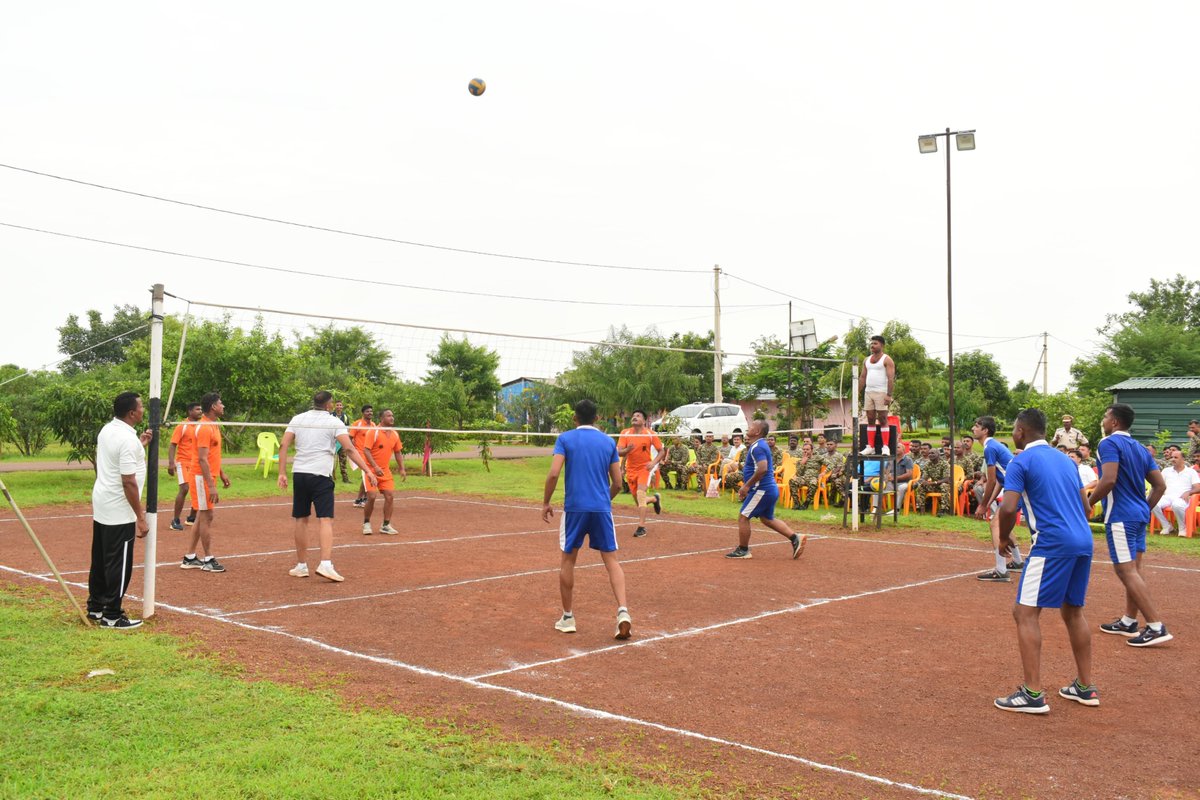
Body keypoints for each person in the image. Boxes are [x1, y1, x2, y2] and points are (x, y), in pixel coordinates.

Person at [993, 408, 1098, 714]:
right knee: (1073, 611)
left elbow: (1008, 507)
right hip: (1083, 541)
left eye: (1014, 428)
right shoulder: (1066, 461)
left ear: (1021, 432)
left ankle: (1032, 693)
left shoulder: (1020, 461)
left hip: (1052, 543)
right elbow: (1086, 508)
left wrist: (1003, 537)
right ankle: (1085, 687)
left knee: (1024, 612)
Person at [542, 399, 632, 639]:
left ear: (575, 418)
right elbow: (618, 483)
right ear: (597, 418)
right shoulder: (608, 441)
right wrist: (603, 500)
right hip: (601, 509)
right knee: (611, 560)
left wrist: (546, 502)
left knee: (568, 560)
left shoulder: (565, 439)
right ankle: (623, 611)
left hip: (575, 509)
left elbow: (554, 473)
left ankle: (568, 617)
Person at [1087, 403, 1172, 647]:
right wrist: (1144, 508)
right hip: (1138, 516)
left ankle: (1155, 626)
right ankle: (1129, 621)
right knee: (1134, 569)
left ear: (1114, 422)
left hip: (1121, 516)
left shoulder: (1108, 443)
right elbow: (1160, 486)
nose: (1103, 421)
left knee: (1126, 571)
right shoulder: (1141, 448)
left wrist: (1088, 504)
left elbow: (1108, 479)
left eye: (1105, 417)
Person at [278, 391, 377, 582]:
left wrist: (282, 472)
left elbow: (283, 445)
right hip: (321, 475)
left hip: (300, 474)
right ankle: (325, 564)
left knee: (301, 518)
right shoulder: (334, 422)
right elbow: (349, 449)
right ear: (329, 405)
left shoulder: (298, 418)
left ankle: (301, 566)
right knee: (325, 519)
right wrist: (368, 470)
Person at [87, 391, 154, 629]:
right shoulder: (127, 440)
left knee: (100, 559)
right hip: (119, 508)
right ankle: (112, 616)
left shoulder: (108, 430)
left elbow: (118, 458)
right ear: (132, 413)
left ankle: (95, 607)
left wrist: (140, 445)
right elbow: (128, 481)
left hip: (103, 503)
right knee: (119, 563)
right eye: (141, 406)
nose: (144, 409)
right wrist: (140, 516)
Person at [726, 420, 806, 560]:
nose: (748, 427)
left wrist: (746, 486)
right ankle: (795, 538)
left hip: (761, 490)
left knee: (743, 517)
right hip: (768, 489)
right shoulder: (759, 445)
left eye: (752, 426)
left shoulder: (758, 447)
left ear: (757, 432)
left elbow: (762, 468)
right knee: (767, 519)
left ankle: (743, 550)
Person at [181, 392, 231, 574]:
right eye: (220, 403)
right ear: (213, 407)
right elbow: (202, 459)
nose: (223, 406)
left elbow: (211, 455)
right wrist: (210, 485)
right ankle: (208, 559)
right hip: (201, 477)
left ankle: (189, 557)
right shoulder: (203, 428)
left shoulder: (213, 425)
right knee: (207, 516)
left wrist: (221, 474)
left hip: (208, 476)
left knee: (202, 516)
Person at [973, 416, 1024, 582]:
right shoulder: (994, 445)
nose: (973, 429)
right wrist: (987, 503)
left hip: (1016, 489)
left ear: (985, 430)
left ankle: (1001, 570)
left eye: (977, 426)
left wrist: (982, 505)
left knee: (995, 524)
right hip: (1015, 488)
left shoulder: (990, 447)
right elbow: (999, 481)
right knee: (1002, 524)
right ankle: (1018, 562)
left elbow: (991, 480)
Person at [617, 410, 665, 537]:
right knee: (639, 501)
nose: (634, 417)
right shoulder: (625, 433)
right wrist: (623, 465)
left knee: (640, 494)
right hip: (631, 470)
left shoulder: (650, 434)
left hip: (645, 468)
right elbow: (619, 452)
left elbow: (661, 451)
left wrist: (653, 463)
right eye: (633, 416)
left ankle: (641, 527)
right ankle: (654, 499)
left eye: (638, 416)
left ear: (644, 421)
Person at [361, 408, 407, 535]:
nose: (392, 418)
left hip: (385, 471)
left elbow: (398, 452)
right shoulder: (373, 432)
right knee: (371, 496)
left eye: (392, 415)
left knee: (390, 496)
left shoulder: (395, 434)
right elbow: (366, 451)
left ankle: (386, 525)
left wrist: (402, 468)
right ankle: (366, 523)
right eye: (388, 416)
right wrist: (375, 467)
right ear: (381, 418)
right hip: (370, 470)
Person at [166, 402, 203, 531]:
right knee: (185, 488)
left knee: (198, 489)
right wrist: (171, 463)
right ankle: (175, 520)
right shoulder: (182, 426)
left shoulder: (201, 426)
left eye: (201, 409)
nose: (200, 411)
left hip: (196, 463)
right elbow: (173, 444)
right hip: (183, 462)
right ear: (190, 411)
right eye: (197, 409)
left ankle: (191, 518)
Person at [858, 335, 895, 456]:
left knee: (883, 418)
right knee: (870, 419)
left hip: (881, 392)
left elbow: (891, 378)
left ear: (882, 345)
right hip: (868, 392)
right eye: (871, 344)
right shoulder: (866, 360)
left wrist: (889, 395)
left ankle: (885, 446)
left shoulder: (887, 359)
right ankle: (870, 447)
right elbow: (862, 377)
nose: (872, 346)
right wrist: (857, 392)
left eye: (875, 343)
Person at [1152, 447, 1200, 535]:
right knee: (1153, 503)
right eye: (1172, 457)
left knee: (1176, 505)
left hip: (1183, 498)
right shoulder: (1166, 471)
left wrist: (1189, 492)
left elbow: (1198, 488)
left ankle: (1182, 528)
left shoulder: (1191, 472)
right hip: (1167, 497)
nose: (1173, 459)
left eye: (1176, 457)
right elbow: (1159, 485)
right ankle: (1167, 526)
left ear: (1183, 459)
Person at [350, 405, 376, 508]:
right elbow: (349, 438)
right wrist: (353, 452)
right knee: (367, 475)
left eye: (371, 411)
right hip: (360, 455)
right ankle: (362, 498)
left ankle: (360, 499)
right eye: (367, 411)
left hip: (370, 455)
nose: (370, 413)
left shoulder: (373, 425)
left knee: (366, 476)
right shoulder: (357, 424)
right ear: (363, 413)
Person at [913, 447, 950, 515]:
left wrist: (933, 483)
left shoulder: (944, 464)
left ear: (938, 454)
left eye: (933, 453)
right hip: (933, 485)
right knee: (921, 486)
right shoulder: (928, 464)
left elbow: (947, 479)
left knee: (944, 485)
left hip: (946, 485)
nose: (930, 455)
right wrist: (922, 482)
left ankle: (943, 510)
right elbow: (924, 477)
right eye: (929, 453)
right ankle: (922, 509)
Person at [789, 442, 821, 510]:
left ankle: (806, 503)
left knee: (813, 483)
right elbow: (798, 474)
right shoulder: (800, 461)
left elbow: (830, 464)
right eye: (804, 449)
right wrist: (802, 463)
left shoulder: (817, 458)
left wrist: (824, 473)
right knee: (792, 481)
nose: (805, 451)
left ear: (812, 450)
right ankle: (796, 503)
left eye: (807, 449)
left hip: (813, 478)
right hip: (804, 478)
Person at [332, 400, 351, 484]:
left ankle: (345, 478)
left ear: (342, 407)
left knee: (343, 460)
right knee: (331, 459)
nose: (339, 407)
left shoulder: (345, 416)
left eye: (340, 405)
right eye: (337, 405)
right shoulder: (331, 415)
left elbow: (348, 428)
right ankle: (330, 477)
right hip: (332, 441)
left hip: (342, 441)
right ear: (335, 406)